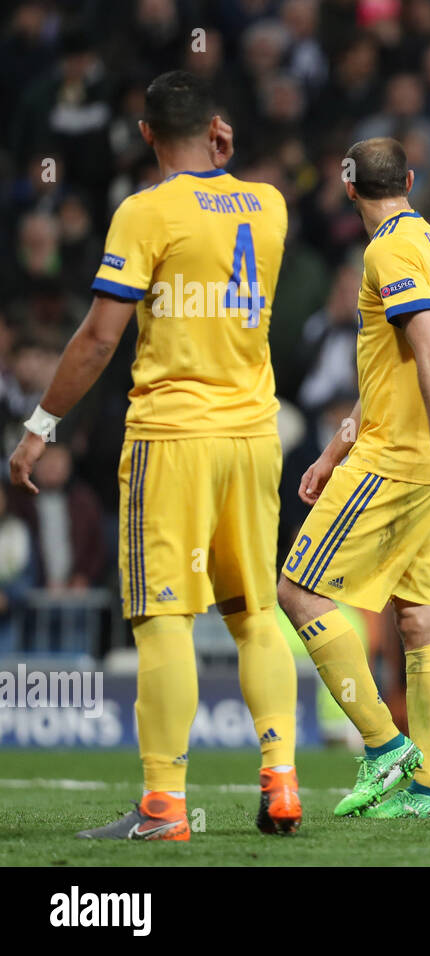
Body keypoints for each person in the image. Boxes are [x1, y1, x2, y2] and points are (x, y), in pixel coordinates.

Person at [7, 70, 299, 841]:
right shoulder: (270, 204)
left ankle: (165, 806)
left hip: (174, 436)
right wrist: (225, 163)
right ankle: (281, 777)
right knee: (255, 612)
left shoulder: (143, 211)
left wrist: (41, 422)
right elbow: (228, 200)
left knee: (162, 615)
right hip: (254, 436)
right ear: (219, 129)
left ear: (144, 136)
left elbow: (101, 335)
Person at [277, 136, 430, 821]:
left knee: (296, 592)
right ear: (412, 179)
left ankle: (381, 743)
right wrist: (335, 449)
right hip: (424, 458)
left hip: (397, 460)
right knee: (421, 618)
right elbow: (401, 364)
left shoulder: (386, 250)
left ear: (347, 187)